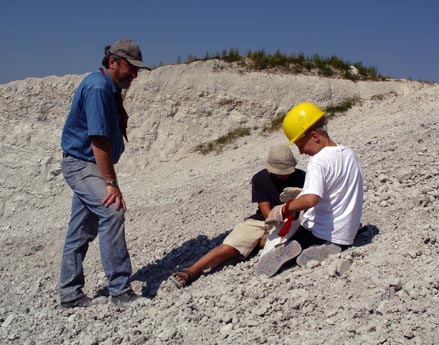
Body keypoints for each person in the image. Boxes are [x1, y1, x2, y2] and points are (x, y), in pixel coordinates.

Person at [59, 39, 150, 308]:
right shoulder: (98, 88)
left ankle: (70, 295)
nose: (134, 74)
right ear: (112, 62)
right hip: (82, 164)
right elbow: (98, 140)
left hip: (89, 164)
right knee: (112, 211)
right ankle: (120, 291)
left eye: (137, 69)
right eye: (130, 67)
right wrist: (111, 184)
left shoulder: (109, 87)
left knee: (81, 230)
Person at [169, 144, 306, 288]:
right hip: (262, 220)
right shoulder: (260, 179)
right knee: (230, 247)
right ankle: (191, 271)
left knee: (284, 235)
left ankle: (265, 246)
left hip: (293, 220)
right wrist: (282, 214)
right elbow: (266, 213)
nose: (285, 175)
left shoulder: (302, 176)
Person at [255, 102, 364, 277]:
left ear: (314, 136)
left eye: (299, 144)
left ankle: (305, 245)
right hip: (347, 231)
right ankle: (333, 245)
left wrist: (283, 209)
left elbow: (311, 199)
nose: (300, 152)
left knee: (291, 238)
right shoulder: (349, 153)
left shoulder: (318, 161)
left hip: (322, 230)